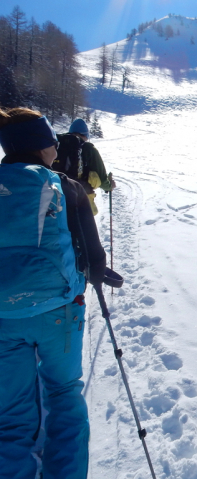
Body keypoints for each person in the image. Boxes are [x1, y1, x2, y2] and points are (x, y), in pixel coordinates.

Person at [0, 107, 106, 479]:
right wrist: (98, 274)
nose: (55, 149)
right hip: (59, 311)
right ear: (40, 145)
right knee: (63, 394)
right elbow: (93, 255)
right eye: (50, 141)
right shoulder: (65, 184)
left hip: (2, 317)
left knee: (10, 412)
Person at [54, 118, 116, 215]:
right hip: (80, 199)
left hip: (54, 197)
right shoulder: (88, 149)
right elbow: (102, 180)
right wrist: (109, 186)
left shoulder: (58, 145)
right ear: (86, 135)